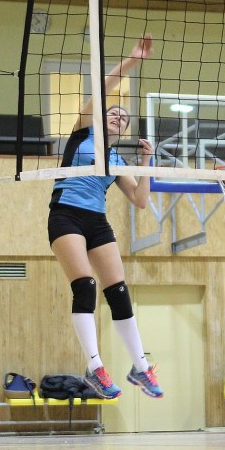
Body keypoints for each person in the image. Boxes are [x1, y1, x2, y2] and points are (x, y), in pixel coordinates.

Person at [49, 35, 162, 400]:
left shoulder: (116, 160)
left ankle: (140, 367)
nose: (118, 116)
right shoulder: (82, 133)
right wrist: (132, 61)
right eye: (113, 113)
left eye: (123, 117)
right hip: (66, 215)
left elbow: (140, 200)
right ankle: (95, 366)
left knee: (118, 291)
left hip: (97, 221)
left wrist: (146, 162)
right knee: (85, 286)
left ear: (124, 130)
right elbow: (103, 90)